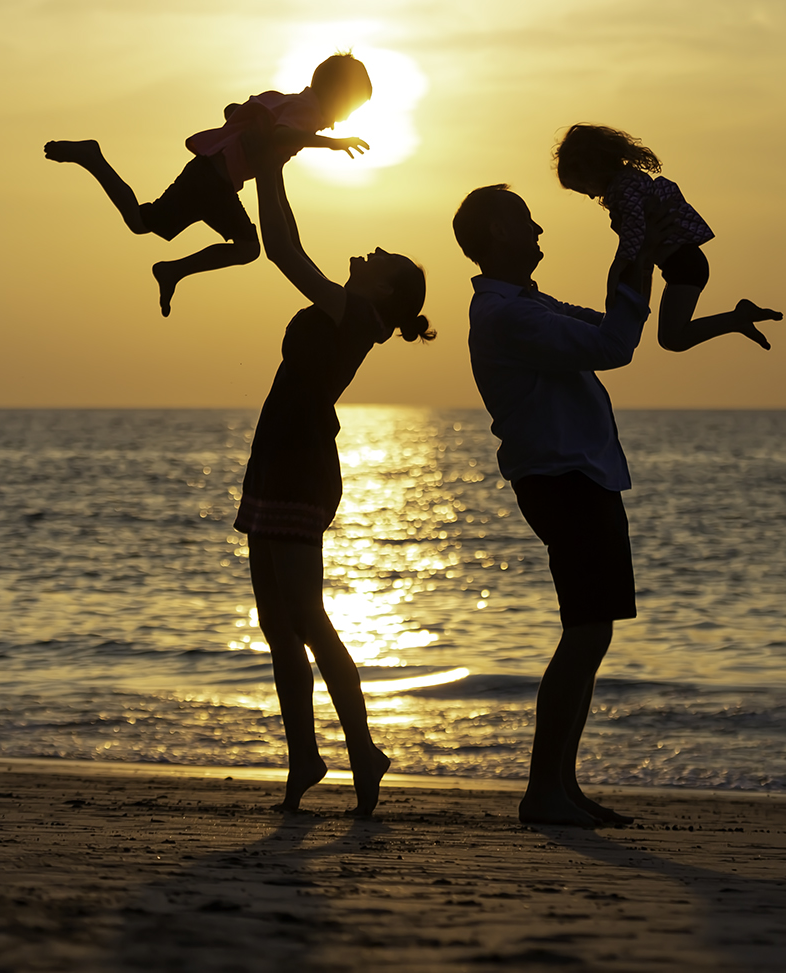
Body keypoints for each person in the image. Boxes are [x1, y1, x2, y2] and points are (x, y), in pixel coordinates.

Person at [237, 131, 435, 815]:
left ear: (387, 290)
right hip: (276, 459)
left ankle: (362, 748)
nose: (372, 249)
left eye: (385, 257)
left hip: (298, 467)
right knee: (276, 623)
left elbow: (284, 250)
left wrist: (269, 168)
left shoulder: (355, 312)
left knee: (308, 618)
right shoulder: (352, 311)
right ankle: (305, 757)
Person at [453, 182, 648, 828]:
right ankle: (544, 789)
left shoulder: (525, 305)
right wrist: (637, 255)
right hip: (563, 477)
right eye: (526, 221)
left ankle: (560, 785)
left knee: (592, 632)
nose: (539, 231)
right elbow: (614, 345)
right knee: (587, 630)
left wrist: (635, 260)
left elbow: (607, 327)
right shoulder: (509, 315)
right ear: (499, 234)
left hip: (577, 474)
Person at [43, 54, 373, 316]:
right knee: (147, 223)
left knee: (221, 242)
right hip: (211, 180)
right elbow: (280, 136)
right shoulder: (307, 113)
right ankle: (93, 158)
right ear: (335, 94)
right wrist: (333, 143)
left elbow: (237, 110)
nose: (344, 118)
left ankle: (172, 271)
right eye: (349, 107)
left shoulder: (288, 101)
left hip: (217, 180)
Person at [553, 123, 781, 353]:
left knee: (673, 338)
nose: (591, 195)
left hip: (685, 265)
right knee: (671, 337)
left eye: (584, 187)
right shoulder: (630, 183)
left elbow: (635, 231)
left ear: (592, 170)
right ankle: (736, 319)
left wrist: (618, 267)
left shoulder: (625, 188)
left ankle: (737, 319)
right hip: (682, 265)